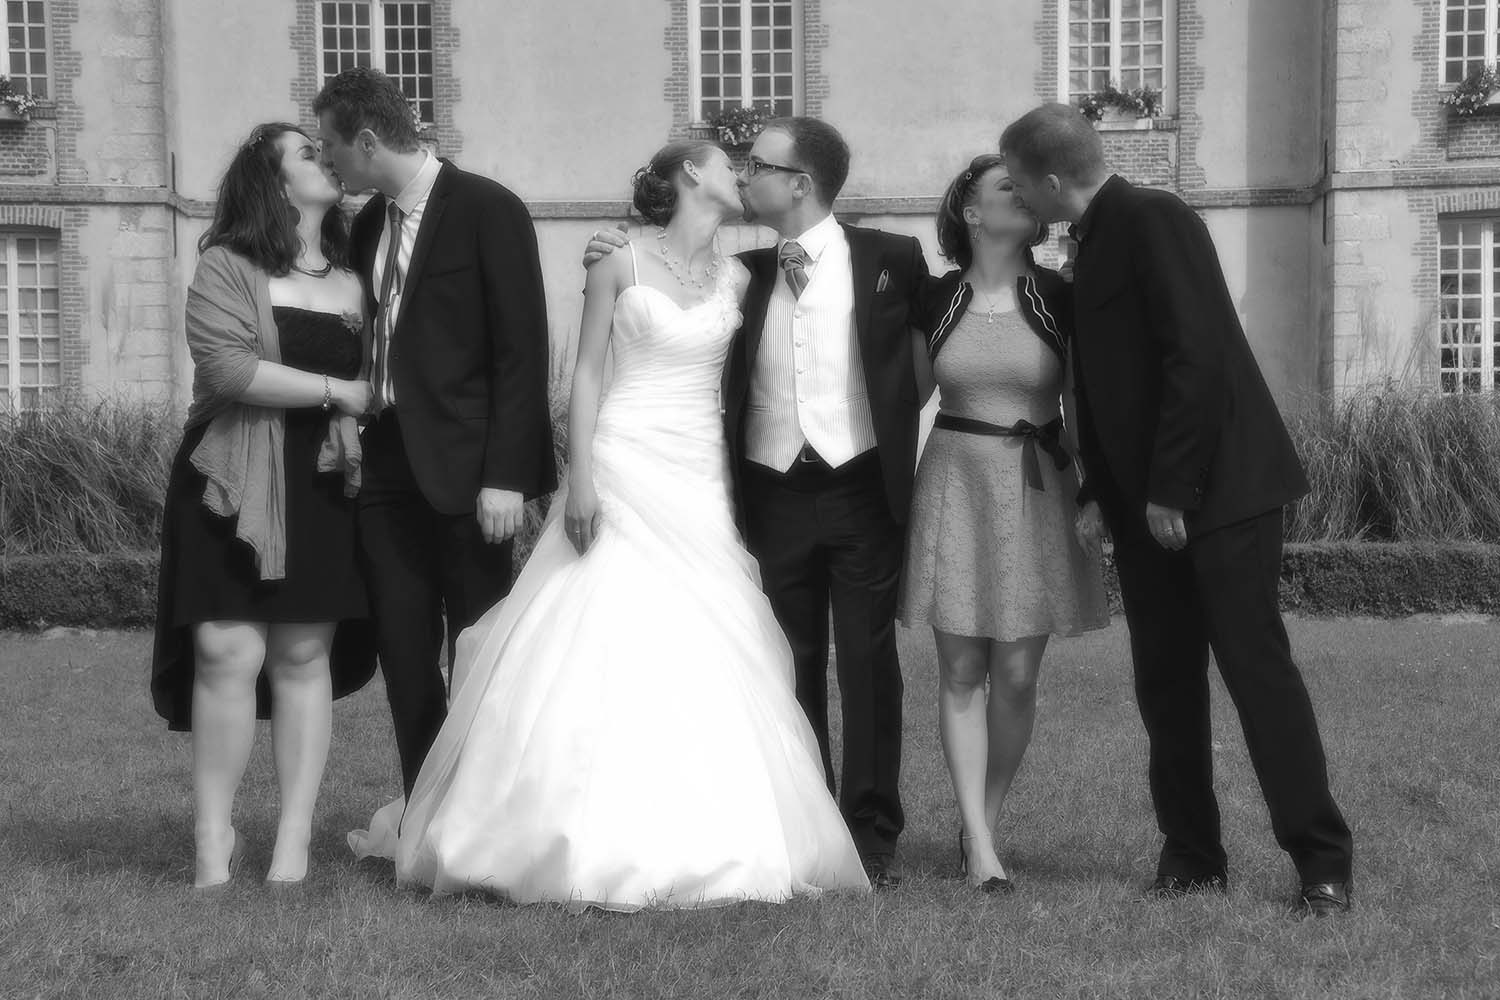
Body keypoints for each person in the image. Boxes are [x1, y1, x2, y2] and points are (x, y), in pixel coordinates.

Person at [348, 140, 869, 910]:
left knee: (704, 635)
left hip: (697, 475)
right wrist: (582, 478)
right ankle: (555, 828)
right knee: (600, 625)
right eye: (732, 165)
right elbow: (586, 371)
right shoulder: (617, 259)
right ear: (692, 174)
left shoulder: (740, 274)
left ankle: (710, 823)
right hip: (623, 461)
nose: (743, 176)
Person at [999, 104, 1354, 916]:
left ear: (1053, 178)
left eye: (1019, 184)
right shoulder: (1084, 244)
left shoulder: (1157, 218)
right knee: (1165, 683)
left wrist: (1171, 491)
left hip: (1219, 495)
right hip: (1144, 506)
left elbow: (1198, 356)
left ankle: (1321, 861)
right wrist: (1100, 492)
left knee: (1255, 672)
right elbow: (1106, 386)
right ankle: (1192, 855)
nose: (1017, 198)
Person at [586, 118, 929, 889]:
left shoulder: (891, 259)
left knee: (869, 662)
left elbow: (937, 334)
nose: (745, 176)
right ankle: (800, 822)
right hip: (769, 490)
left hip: (859, 487)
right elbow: (661, 275)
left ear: (800, 183)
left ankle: (871, 830)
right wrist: (608, 246)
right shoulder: (742, 272)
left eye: (759, 166)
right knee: (786, 659)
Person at [313, 68, 557, 798]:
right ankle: (427, 810)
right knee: (404, 648)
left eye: (332, 148)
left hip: (473, 472)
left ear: (366, 139)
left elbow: (522, 349)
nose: (329, 163)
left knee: (479, 648)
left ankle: (486, 811)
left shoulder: (488, 209)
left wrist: (507, 475)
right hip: (386, 470)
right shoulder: (365, 225)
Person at [150, 122, 377, 888]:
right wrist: (338, 390)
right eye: (308, 152)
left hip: (319, 481)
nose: (329, 156)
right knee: (226, 652)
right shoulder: (226, 263)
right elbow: (228, 368)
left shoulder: (358, 272)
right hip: (230, 477)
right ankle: (212, 839)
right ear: (272, 180)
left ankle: (293, 840)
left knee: (303, 655)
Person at [900, 154, 1110, 893]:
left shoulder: (1061, 294)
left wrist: (1095, 492)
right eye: (1004, 187)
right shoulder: (935, 298)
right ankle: (984, 849)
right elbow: (905, 392)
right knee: (960, 670)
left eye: (1026, 186)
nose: (1021, 194)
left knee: (1016, 675)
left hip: (1036, 486)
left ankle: (977, 824)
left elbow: (1085, 404)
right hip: (954, 481)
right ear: (970, 212)